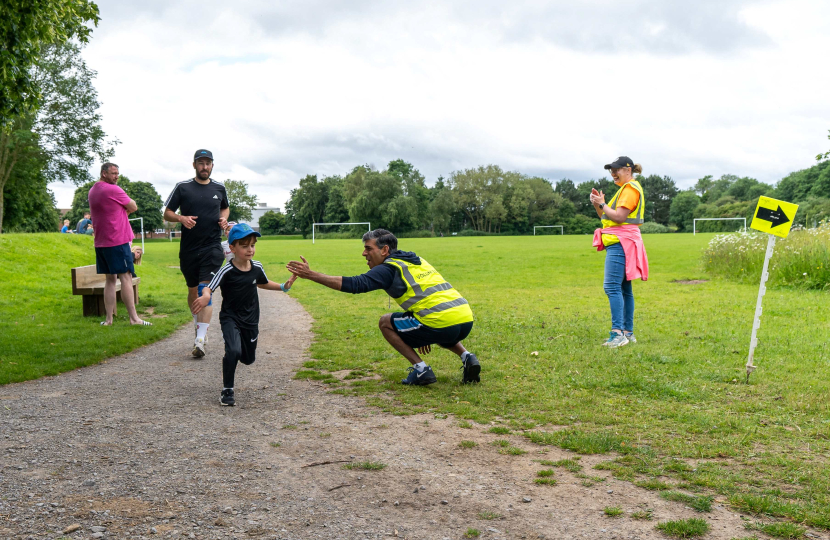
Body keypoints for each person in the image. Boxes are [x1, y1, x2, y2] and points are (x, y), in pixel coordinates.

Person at [286, 229, 480, 386]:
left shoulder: (388, 269)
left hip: (439, 322)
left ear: (385, 250)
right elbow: (423, 295)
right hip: (464, 319)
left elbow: (355, 284)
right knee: (436, 324)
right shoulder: (414, 259)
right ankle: (467, 356)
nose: (364, 253)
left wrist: (310, 274)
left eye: (368, 249)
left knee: (385, 322)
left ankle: (421, 370)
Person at [192, 223, 297, 406]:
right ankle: (227, 390)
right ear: (232, 248)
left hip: (250, 320)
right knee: (233, 350)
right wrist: (205, 297)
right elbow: (210, 286)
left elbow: (262, 283)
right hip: (230, 318)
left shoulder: (256, 267)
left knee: (248, 359)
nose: (250, 249)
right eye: (245, 245)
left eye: (253, 245)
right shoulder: (226, 270)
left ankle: (237, 353)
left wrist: (282, 287)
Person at [163, 149, 229, 358]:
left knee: (204, 290)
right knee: (193, 290)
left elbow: (225, 208)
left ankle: (200, 339)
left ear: (212, 165)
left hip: (212, 248)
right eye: (201, 163)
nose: (205, 167)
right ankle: (198, 325)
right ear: (194, 165)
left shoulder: (219, 188)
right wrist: (181, 219)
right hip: (189, 249)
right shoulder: (183, 187)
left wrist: (223, 219)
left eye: (208, 163)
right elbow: (167, 213)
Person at [589, 156, 649, 348]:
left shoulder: (630, 189)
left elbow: (620, 217)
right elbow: (607, 217)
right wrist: (598, 204)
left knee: (612, 287)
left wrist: (602, 204)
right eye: (611, 170)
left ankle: (618, 334)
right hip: (624, 241)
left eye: (617, 169)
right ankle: (627, 332)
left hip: (620, 243)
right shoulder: (624, 190)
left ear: (628, 170)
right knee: (624, 289)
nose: (613, 173)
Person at [88, 162, 152, 327]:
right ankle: (134, 319)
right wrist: (125, 208)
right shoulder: (113, 189)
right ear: (104, 173)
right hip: (117, 240)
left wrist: (121, 210)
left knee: (110, 279)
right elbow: (133, 206)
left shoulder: (93, 190)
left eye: (118, 173)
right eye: (113, 173)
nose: (117, 176)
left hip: (101, 242)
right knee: (126, 277)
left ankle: (109, 320)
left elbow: (110, 209)